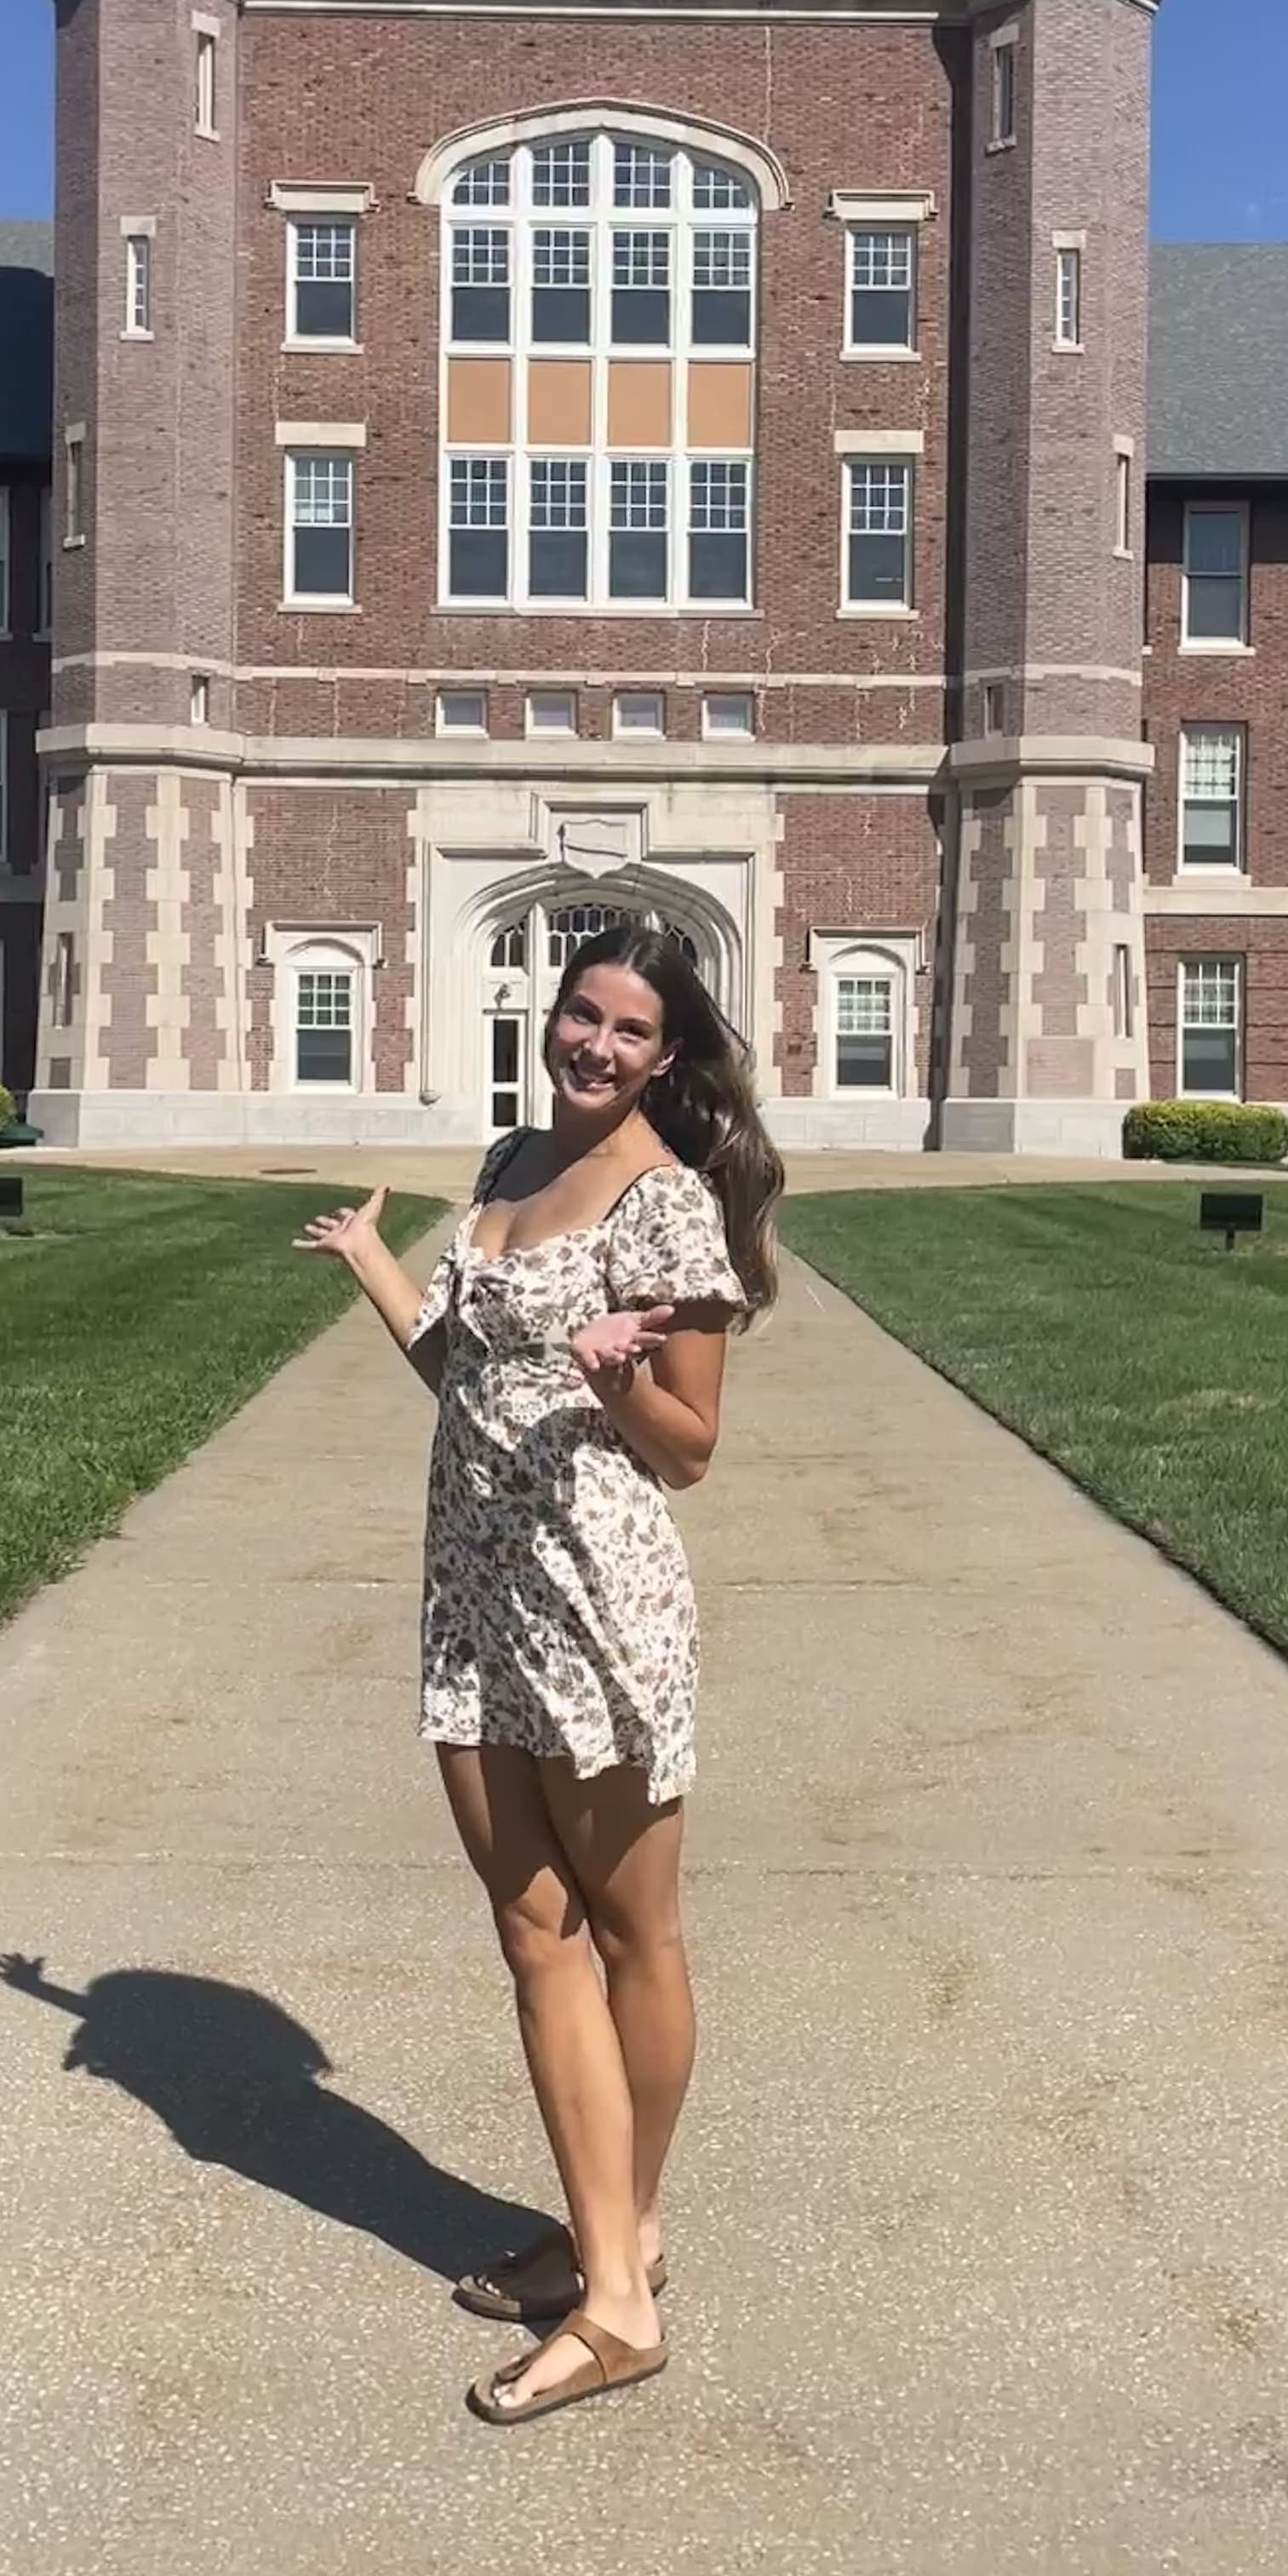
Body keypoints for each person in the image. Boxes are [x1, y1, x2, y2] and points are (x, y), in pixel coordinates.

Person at [295, 922, 782, 2425]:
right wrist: (381, 1264)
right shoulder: (508, 1167)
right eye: (584, 1013)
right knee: (532, 1933)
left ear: (668, 1057)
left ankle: (623, 2290)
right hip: (474, 1594)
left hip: (595, 1593)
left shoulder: (667, 1204)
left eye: (632, 1032)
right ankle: (604, 2240)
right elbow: (464, 1369)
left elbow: (691, 1453)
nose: (595, 1045)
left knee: (632, 1933)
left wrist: (617, 1371)